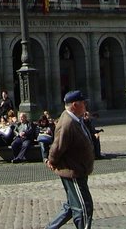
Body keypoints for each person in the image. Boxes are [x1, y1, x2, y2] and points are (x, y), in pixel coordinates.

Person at [45, 90, 95, 229]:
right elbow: (57, 146)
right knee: (84, 207)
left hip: (79, 169)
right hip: (73, 171)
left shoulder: (75, 119)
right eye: (83, 103)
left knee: (71, 206)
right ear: (75, 105)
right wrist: (52, 161)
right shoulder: (67, 123)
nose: (85, 105)